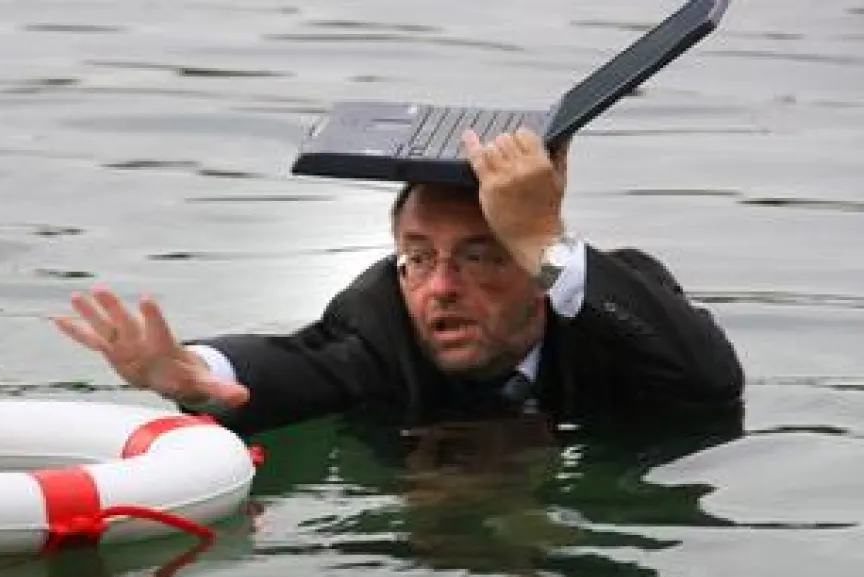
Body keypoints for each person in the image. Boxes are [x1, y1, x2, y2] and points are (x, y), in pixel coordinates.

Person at [54, 128, 744, 437]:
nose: (438, 286)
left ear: (538, 269)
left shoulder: (608, 300)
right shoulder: (377, 316)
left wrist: (540, 238)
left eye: (478, 257)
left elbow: (712, 381)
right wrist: (186, 372)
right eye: (418, 256)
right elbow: (302, 362)